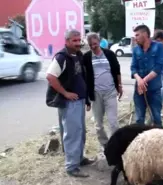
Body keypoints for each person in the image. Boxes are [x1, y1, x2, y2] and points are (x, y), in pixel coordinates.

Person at [45, 29, 94, 178]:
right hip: (69, 102)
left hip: (79, 101)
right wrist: (65, 93)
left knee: (80, 132)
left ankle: (79, 158)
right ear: (66, 41)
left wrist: (86, 99)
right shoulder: (62, 57)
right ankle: (72, 166)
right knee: (72, 134)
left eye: (79, 40)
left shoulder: (78, 55)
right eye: (74, 40)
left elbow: (81, 78)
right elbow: (50, 76)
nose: (78, 43)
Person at [83, 32, 123, 150]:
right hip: (96, 94)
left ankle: (117, 145)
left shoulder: (109, 54)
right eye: (90, 45)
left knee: (113, 122)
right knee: (98, 125)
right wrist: (87, 100)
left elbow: (117, 70)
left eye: (95, 44)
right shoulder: (86, 57)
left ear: (99, 42)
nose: (93, 46)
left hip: (110, 92)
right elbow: (85, 78)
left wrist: (119, 86)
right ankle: (105, 145)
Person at [130, 25, 163, 126]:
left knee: (156, 118)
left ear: (145, 34)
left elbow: (158, 67)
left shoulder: (158, 46)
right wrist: (139, 80)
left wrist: (143, 80)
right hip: (139, 90)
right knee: (139, 120)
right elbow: (133, 68)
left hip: (154, 90)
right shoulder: (136, 50)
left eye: (137, 35)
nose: (135, 38)